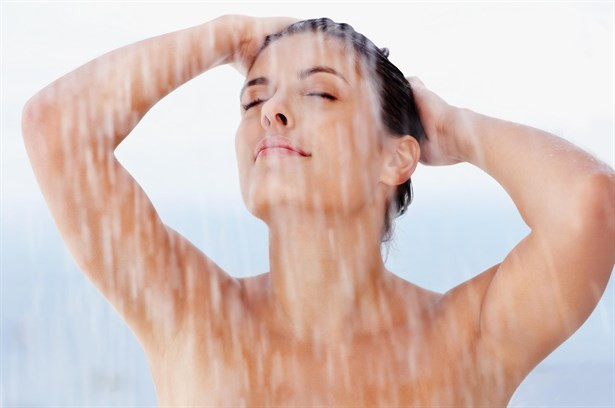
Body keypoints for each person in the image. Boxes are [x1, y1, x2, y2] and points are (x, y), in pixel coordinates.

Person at [21, 14, 614, 406]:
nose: (270, 112)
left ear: (396, 158)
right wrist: (227, 34)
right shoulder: (195, 316)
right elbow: (57, 130)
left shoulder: (465, 340)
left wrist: (455, 129)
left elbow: (590, 205)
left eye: (320, 92)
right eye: (253, 98)